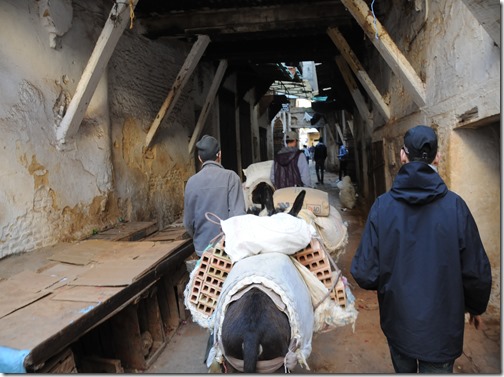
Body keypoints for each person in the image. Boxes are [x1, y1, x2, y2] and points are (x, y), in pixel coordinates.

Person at [350, 125, 492, 373]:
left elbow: (365, 272)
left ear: (403, 156)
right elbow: (476, 271)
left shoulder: (382, 207)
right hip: (442, 330)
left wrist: (393, 284)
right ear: (437, 157)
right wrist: (475, 307)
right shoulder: (456, 207)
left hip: (399, 325)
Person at [183, 134, 246, 257]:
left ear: (200, 158)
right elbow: (239, 217)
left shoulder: (191, 182)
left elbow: (188, 224)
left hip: (202, 251)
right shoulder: (231, 177)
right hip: (227, 249)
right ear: (220, 155)